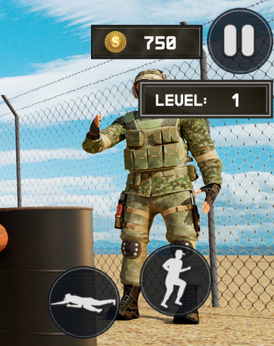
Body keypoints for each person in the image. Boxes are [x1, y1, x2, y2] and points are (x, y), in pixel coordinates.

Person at [82, 69, 222, 325]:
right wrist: (93, 134)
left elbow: (204, 149)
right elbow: (99, 144)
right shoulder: (127, 121)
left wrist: (213, 180)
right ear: (135, 91)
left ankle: (187, 303)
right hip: (137, 191)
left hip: (176, 190)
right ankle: (129, 302)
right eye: (142, 86)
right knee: (132, 246)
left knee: (183, 246)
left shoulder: (183, 117)